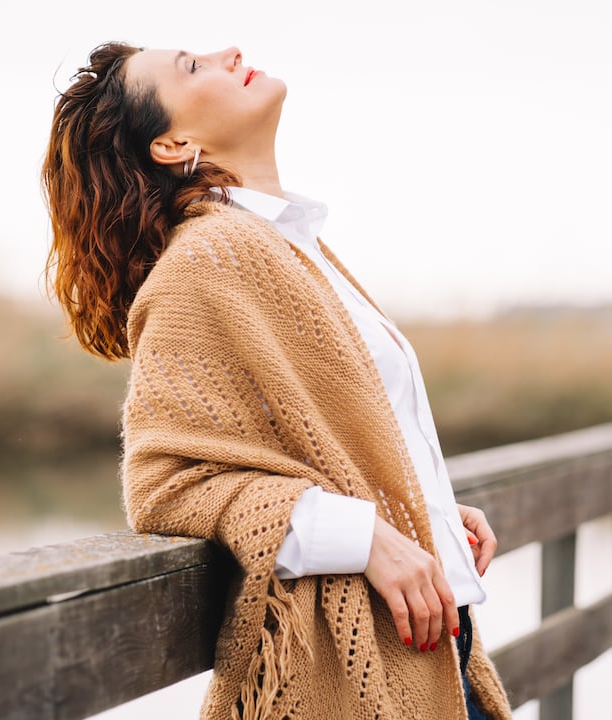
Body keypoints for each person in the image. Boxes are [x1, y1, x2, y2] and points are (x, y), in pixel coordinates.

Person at [42, 41, 513, 720]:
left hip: (436, 655)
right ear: (173, 144)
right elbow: (166, 487)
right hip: (359, 683)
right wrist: (365, 536)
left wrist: (422, 509)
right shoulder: (201, 263)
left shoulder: (289, 245)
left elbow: (319, 434)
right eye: (192, 67)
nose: (227, 51)